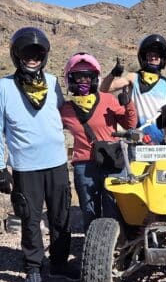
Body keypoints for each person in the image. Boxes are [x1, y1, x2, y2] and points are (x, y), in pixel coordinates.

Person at [0, 27, 77, 282]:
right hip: (26, 166)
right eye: (27, 53)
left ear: (44, 56)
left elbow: (64, 115)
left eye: (37, 53)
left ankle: (60, 263)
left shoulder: (51, 82)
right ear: (17, 55)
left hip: (57, 162)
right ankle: (34, 267)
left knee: (61, 216)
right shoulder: (3, 87)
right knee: (30, 218)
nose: (32, 58)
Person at [59, 52, 138, 231]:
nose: (83, 81)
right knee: (89, 210)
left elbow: (129, 124)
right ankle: (92, 250)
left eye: (88, 76)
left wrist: (128, 104)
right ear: (70, 79)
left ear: (94, 78)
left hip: (111, 160)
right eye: (79, 76)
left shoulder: (108, 99)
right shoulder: (66, 109)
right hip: (84, 165)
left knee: (114, 208)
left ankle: (114, 249)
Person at [100, 34, 166, 129]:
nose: (153, 58)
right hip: (137, 135)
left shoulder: (165, 82)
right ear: (143, 57)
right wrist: (112, 74)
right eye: (149, 55)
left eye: (156, 55)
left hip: (160, 137)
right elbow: (104, 89)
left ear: (162, 58)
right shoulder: (133, 77)